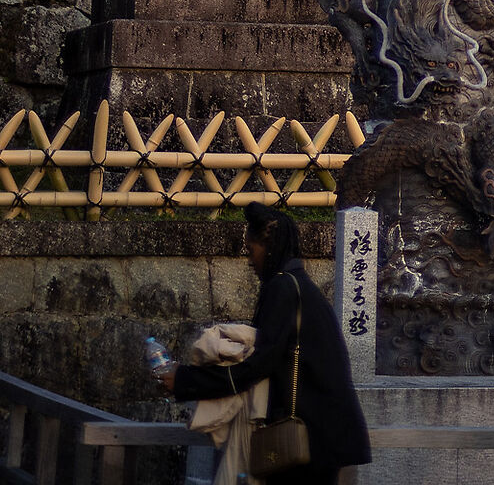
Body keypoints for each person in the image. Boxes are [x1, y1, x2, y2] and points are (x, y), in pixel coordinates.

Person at [156, 206, 371, 485]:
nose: (249, 260)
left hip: (307, 440)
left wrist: (186, 380)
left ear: (268, 246)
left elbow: (257, 366)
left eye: (251, 249)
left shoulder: (283, 288)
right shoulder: (298, 285)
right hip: (325, 434)